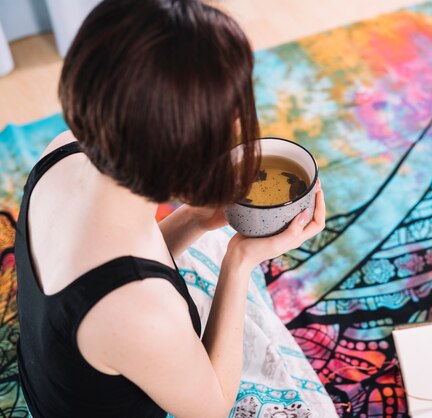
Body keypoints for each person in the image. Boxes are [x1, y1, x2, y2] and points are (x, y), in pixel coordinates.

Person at [14, 0, 326, 417]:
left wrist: (197, 218)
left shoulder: (65, 149)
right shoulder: (140, 310)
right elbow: (211, 407)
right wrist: (240, 260)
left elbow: (115, 262)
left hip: (59, 369)